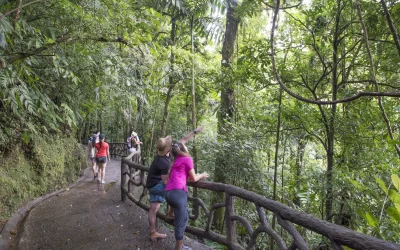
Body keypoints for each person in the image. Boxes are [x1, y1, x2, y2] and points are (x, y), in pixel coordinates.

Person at [146, 126, 204, 241]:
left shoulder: (170, 151)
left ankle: (152, 232)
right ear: (167, 149)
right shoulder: (163, 162)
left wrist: (195, 131)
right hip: (156, 185)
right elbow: (166, 181)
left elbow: (183, 140)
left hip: (150, 184)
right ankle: (173, 216)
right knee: (177, 189)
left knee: (153, 209)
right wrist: (183, 179)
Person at [165, 141, 209, 250]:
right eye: (185, 146)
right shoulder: (187, 159)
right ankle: (179, 248)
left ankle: (180, 245)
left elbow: (185, 177)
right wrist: (202, 175)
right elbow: (193, 179)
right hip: (178, 194)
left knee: (184, 216)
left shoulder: (175, 161)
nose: (187, 146)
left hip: (168, 193)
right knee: (181, 222)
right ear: (183, 150)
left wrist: (196, 176)